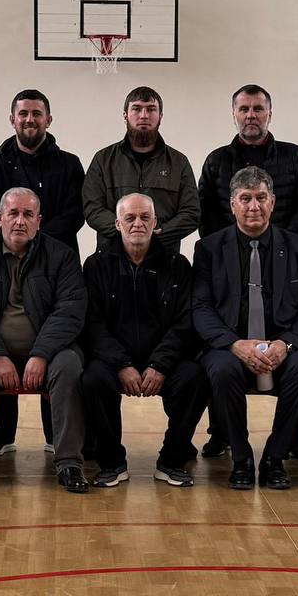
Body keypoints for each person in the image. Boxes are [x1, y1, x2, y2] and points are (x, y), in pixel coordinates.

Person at [195, 86, 298, 460]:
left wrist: (280, 246)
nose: (251, 115)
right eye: (244, 108)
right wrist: (231, 247)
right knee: (221, 365)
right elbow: (206, 212)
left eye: (258, 108)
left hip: (281, 256)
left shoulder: (294, 158)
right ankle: (233, 447)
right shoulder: (216, 162)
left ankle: (284, 447)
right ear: (234, 114)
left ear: (269, 113)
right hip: (231, 261)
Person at [0, 186, 90, 494]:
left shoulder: (61, 255)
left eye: (28, 214)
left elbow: (70, 311)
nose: (20, 221)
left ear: (39, 220)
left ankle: (69, 463)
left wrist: (41, 354)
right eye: (13, 213)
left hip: (50, 353)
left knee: (70, 367)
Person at [0, 90, 87, 456]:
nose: (29, 119)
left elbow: (76, 211)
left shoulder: (69, 164)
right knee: (3, 329)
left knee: (50, 335)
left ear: (48, 120)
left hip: (56, 264)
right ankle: (4, 430)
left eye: (37, 114)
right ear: (12, 120)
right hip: (5, 260)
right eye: (23, 114)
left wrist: (39, 242)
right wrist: (21, 238)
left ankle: (55, 433)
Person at [193, 166, 298, 491]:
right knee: (221, 370)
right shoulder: (208, 248)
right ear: (232, 204)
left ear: (273, 202)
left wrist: (285, 344)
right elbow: (202, 309)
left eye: (261, 198)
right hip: (230, 348)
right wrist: (235, 345)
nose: (254, 206)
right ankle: (241, 458)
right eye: (245, 198)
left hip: (281, 346)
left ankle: (275, 458)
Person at [78, 192, 207, 487]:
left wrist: (159, 365)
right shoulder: (96, 266)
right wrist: (122, 364)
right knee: (92, 379)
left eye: (145, 217)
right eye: (130, 218)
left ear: (155, 222)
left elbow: (185, 323)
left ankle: (172, 460)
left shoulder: (178, 265)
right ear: (117, 223)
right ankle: (112, 463)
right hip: (114, 360)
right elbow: (93, 325)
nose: (138, 223)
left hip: (162, 360)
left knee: (195, 377)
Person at [82, 86, 198, 251]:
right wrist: (127, 234)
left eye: (151, 109)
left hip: (164, 256)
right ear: (125, 116)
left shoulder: (179, 162)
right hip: (111, 257)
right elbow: (92, 209)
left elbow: (191, 213)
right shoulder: (103, 160)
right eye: (136, 109)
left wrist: (156, 236)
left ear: (160, 116)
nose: (144, 115)